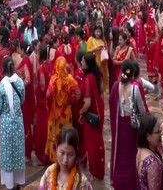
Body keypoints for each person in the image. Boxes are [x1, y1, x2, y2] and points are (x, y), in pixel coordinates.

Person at [109, 61, 142, 190]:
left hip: (119, 129)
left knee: (119, 156)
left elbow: (111, 102)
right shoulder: (135, 89)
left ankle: (118, 182)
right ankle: (130, 184)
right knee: (130, 156)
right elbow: (142, 111)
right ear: (133, 74)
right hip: (131, 128)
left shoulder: (115, 87)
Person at [0, 56, 26, 190]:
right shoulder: (19, 82)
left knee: (7, 153)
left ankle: (9, 184)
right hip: (18, 122)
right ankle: (19, 182)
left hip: (6, 125)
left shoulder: (1, 85)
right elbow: (22, 100)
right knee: (18, 151)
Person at [45, 56, 79, 162]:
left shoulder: (53, 80)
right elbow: (78, 93)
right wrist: (70, 100)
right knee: (67, 135)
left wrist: (52, 100)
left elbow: (48, 95)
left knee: (56, 136)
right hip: (66, 113)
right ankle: (68, 157)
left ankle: (56, 158)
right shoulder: (70, 79)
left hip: (55, 114)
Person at [78, 53, 105, 181]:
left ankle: (94, 171)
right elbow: (101, 92)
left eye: (83, 62)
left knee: (92, 144)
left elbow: (87, 102)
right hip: (99, 111)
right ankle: (99, 169)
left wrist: (81, 113)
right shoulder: (98, 75)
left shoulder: (88, 78)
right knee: (98, 141)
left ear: (88, 65)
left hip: (91, 115)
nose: (81, 63)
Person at [136, 113, 163, 190]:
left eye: (160, 131)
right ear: (148, 136)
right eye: (157, 132)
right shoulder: (153, 163)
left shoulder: (140, 151)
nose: (160, 135)